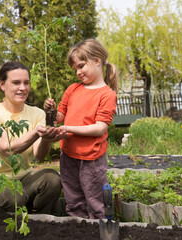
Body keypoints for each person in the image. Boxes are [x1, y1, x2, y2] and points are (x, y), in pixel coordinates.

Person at [0, 61, 67, 214]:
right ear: (2, 85)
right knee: (9, 193)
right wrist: (37, 132)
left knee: (52, 178)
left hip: (24, 179)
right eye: (16, 83)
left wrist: (45, 137)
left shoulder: (37, 113)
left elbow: (40, 155)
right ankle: (4, 223)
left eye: (26, 83)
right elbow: (6, 149)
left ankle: (40, 221)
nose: (22, 88)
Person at [44, 39, 118, 219]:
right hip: (68, 155)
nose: (77, 72)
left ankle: (100, 230)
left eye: (81, 66)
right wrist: (50, 111)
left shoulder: (107, 94)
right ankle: (77, 230)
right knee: (73, 200)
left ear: (97, 61)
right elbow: (59, 118)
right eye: (75, 69)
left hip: (91, 159)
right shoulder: (73, 89)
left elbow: (100, 128)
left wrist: (68, 129)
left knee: (95, 202)